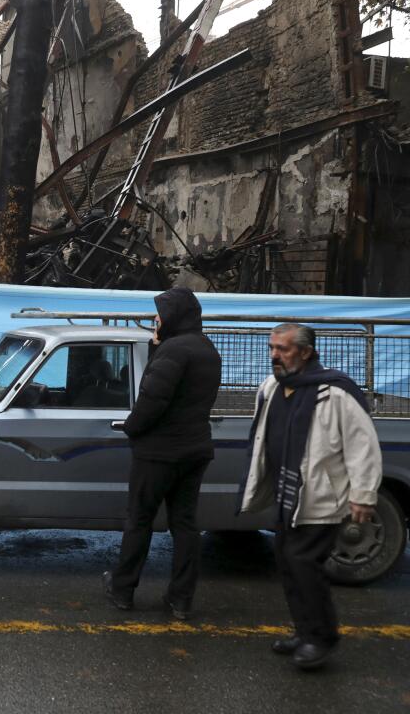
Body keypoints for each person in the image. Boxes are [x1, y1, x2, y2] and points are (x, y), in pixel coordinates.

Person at [238, 323, 382, 670]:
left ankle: (321, 638)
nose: (274, 355)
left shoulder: (335, 393)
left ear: (305, 352)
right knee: (288, 564)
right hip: (289, 496)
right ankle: (305, 632)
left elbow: (363, 446)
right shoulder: (273, 386)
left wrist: (362, 495)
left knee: (304, 566)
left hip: (320, 498)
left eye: (282, 349)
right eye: (272, 348)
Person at [103, 287, 222, 620]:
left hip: (158, 453)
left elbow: (152, 400)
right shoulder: (206, 349)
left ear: (173, 316)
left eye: (159, 315)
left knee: (139, 520)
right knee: (185, 526)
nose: (155, 320)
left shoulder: (173, 351)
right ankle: (181, 599)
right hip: (195, 449)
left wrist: (131, 427)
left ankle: (123, 588)